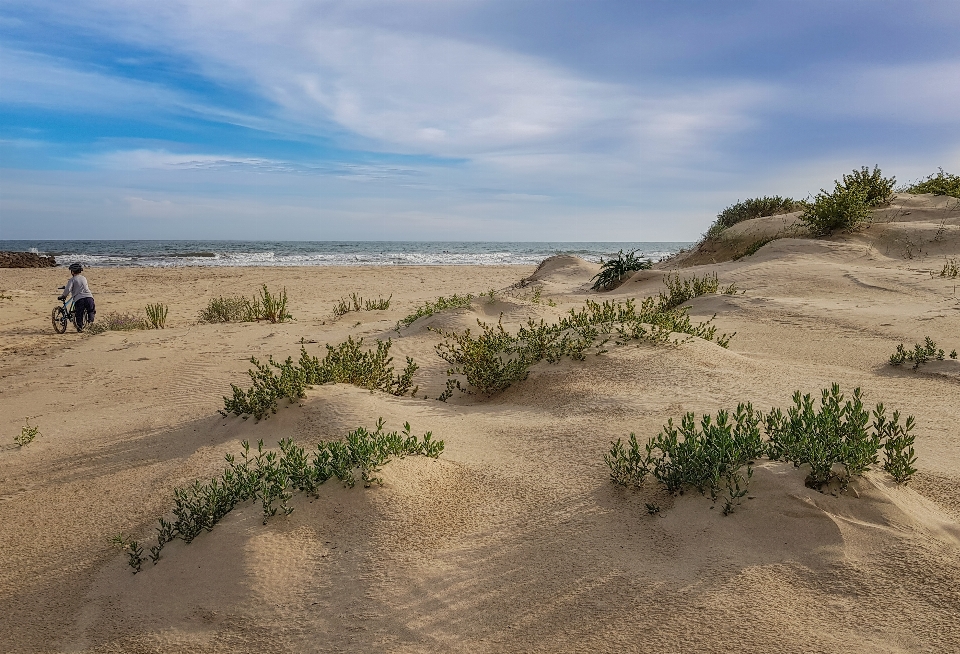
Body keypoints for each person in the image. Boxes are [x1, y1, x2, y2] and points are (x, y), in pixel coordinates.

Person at [59, 262, 96, 332]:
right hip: (89, 297)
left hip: (79, 299)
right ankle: (91, 323)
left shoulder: (72, 280)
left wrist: (64, 296)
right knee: (91, 311)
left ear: (72, 272)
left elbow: (68, 289)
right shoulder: (84, 278)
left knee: (79, 313)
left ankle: (80, 327)